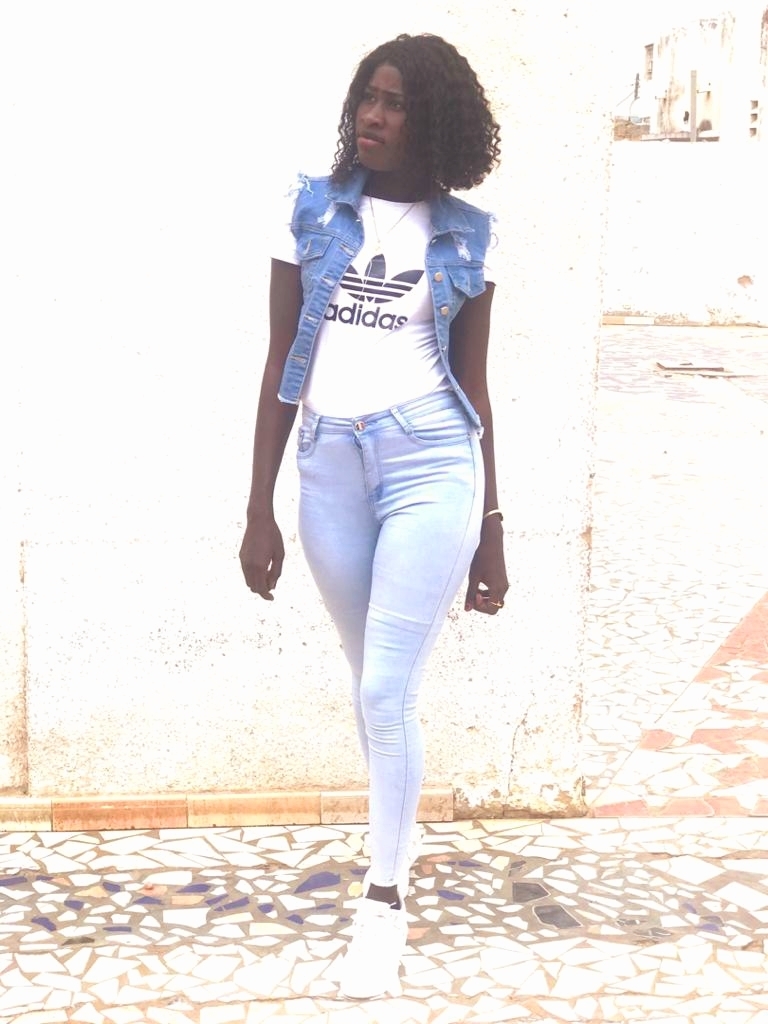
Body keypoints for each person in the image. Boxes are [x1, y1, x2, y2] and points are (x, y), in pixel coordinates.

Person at [239, 32, 508, 999]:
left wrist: (492, 527)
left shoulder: (467, 234)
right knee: (373, 692)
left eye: (397, 103)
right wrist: (258, 506)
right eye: (368, 96)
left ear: (434, 122)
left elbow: (475, 386)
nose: (374, 116)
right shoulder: (310, 208)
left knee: (387, 691)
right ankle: (393, 842)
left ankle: (383, 903)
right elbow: (281, 361)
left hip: (431, 459)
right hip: (329, 470)